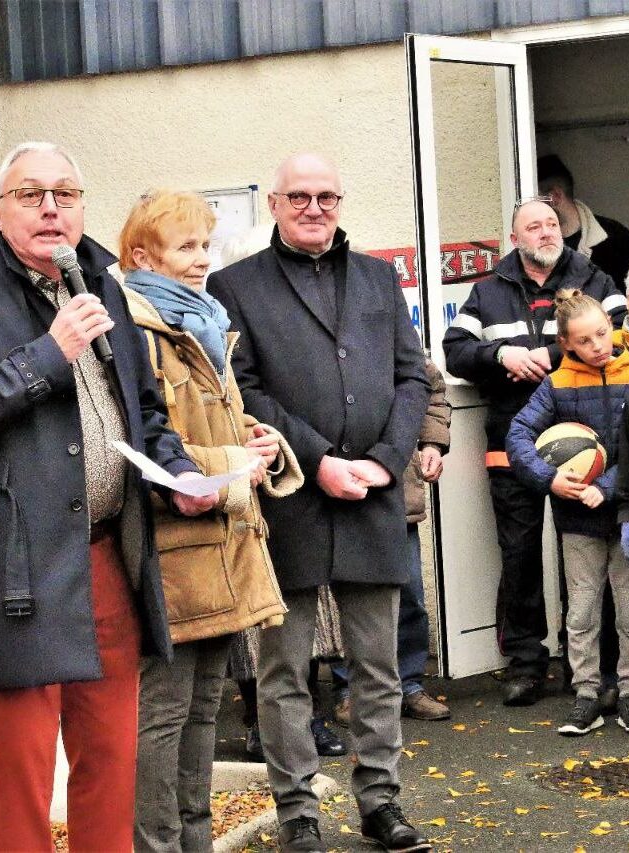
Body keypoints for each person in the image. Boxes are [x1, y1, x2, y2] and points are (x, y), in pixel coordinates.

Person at [0, 142, 217, 853]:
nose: (51, 207)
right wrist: (47, 353)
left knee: (110, 757)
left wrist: (177, 477)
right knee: (19, 765)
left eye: (66, 193)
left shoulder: (103, 287)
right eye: (31, 193)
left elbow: (144, 407)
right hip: (16, 567)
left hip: (108, 555)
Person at [208, 153, 432, 853]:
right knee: (283, 669)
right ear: (272, 203)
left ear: (341, 202)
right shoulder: (233, 286)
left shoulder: (376, 277)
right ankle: (296, 810)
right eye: (298, 196)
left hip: (371, 493)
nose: (313, 207)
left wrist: (383, 461)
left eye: (326, 196)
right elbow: (243, 391)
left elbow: (410, 375)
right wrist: (319, 461)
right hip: (290, 498)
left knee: (377, 663)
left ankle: (380, 802)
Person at [118, 190, 304, 851]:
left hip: (219, 551)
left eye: (207, 245)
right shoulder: (137, 332)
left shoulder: (198, 322)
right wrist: (231, 461)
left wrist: (256, 443)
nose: (202, 260)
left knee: (202, 710)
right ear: (141, 256)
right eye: (185, 247)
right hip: (172, 555)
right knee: (163, 717)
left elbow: (198, 427)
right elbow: (139, 446)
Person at [443, 198, 627, 708]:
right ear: (515, 238)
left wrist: (544, 355)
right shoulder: (487, 292)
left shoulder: (596, 280)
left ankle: (589, 669)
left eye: (551, 224)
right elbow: (454, 350)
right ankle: (525, 664)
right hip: (513, 447)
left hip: (593, 454)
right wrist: (501, 354)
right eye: (534, 226)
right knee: (520, 557)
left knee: (592, 562)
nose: (546, 232)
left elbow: (625, 340)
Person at [219, 225, 346, 763]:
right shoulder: (217, 321)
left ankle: (309, 716)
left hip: (297, 477)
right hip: (245, 479)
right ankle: (257, 720)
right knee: (257, 619)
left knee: (311, 616)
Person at [506, 290, 629, 736]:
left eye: (602, 333)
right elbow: (518, 435)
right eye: (585, 341)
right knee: (581, 612)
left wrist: (605, 487)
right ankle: (586, 695)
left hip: (628, 515)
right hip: (577, 520)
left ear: (612, 323)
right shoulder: (558, 383)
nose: (598, 346)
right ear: (566, 344)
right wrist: (551, 479)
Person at [332, 359, 453, 723]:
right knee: (349, 599)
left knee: (411, 595)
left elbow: (431, 387)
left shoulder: (395, 335)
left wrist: (432, 442)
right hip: (343, 489)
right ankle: (349, 688)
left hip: (398, 495)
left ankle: (410, 684)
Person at [538, 154, 629, 290]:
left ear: (555, 197)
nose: (530, 208)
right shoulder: (535, 243)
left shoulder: (614, 238)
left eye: (536, 199)